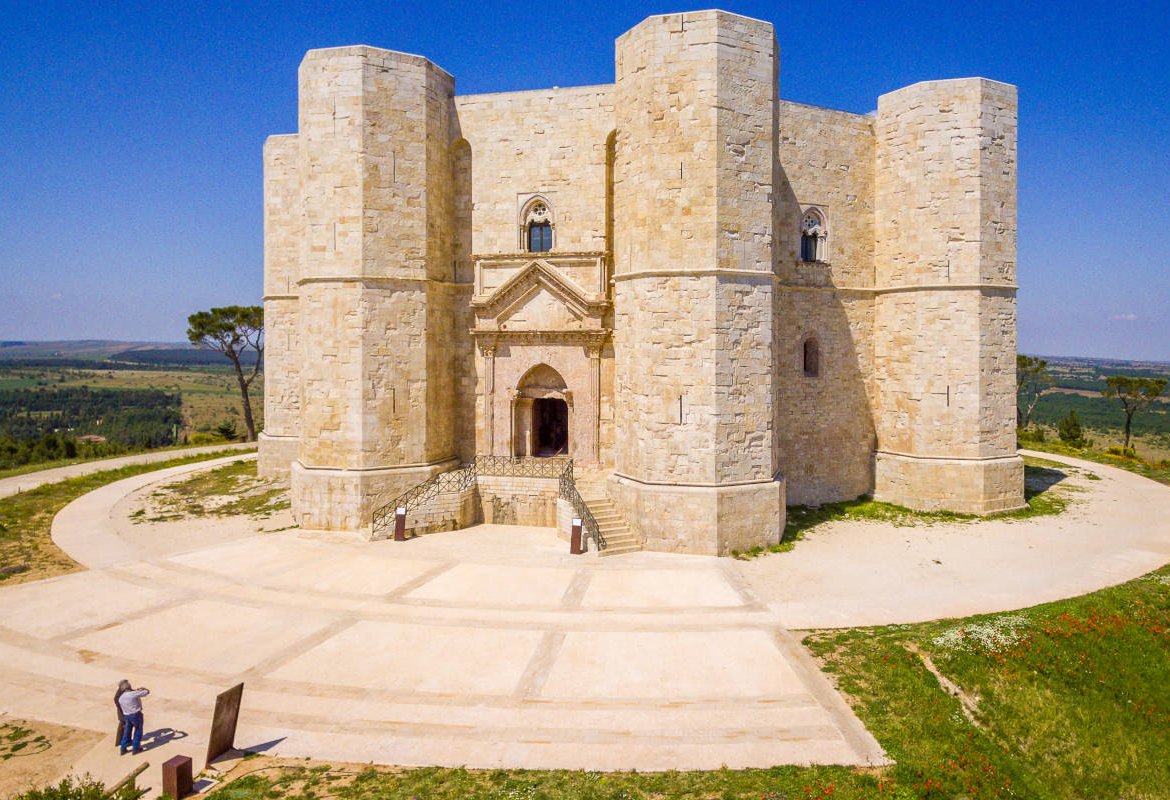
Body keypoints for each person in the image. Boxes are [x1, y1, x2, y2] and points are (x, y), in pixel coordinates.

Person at [117, 682, 150, 755]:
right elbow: (147, 692)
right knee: (138, 731)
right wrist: (142, 689)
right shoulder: (133, 694)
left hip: (126, 716)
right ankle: (136, 748)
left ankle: (123, 748)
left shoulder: (121, 698)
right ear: (129, 687)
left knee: (127, 732)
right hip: (136, 715)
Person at [114, 679, 130, 747]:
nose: (129, 684)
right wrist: (122, 707)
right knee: (124, 726)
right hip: (123, 712)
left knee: (124, 726)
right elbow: (116, 700)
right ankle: (121, 742)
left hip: (124, 711)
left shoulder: (123, 690)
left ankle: (122, 741)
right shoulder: (120, 692)